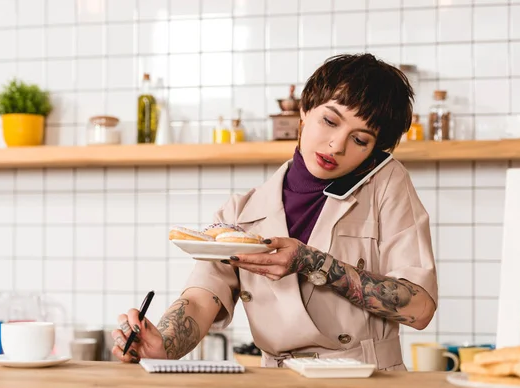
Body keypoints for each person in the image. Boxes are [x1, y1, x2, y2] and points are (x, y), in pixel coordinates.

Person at [111, 53, 438, 370]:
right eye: (329, 121)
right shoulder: (240, 212)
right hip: (277, 384)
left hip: (367, 382)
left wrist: (314, 262)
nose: (337, 145)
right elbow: (201, 298)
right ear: (304, 110)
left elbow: (420, 307)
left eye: (360, 139)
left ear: (374, 151)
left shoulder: (387, 185)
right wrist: (163, 344)